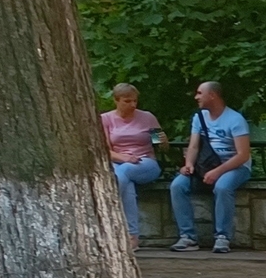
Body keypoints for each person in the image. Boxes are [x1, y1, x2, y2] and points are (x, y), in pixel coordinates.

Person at [168, 82, 251, 253]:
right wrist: (189, 165)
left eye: (199, 93)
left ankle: (222, 237)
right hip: (205, 165)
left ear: (212, 95)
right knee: (177, 185)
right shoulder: (199, 117)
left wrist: (218, 172)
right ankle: (188, 237)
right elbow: (194, 146)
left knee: (222, 187)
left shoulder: (235, 120)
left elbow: (243, 155)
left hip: (235, 167)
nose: (196, 97)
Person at [99, 84, 162, 245]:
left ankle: (107, 207)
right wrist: (123, 157)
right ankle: (132, 237)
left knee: (124, 173)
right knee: (127, 184)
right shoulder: (105, 119)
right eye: (127, 101)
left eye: (135, 101)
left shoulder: (147, 117)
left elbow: (160, 144)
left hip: (145, 162)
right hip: (118, 162)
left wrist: (161, 139)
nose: (133, 105)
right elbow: (105, 150)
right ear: (116, 100)